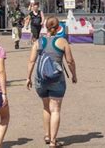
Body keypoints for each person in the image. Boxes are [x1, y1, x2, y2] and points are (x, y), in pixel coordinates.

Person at [26, 17, 77, 147]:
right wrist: (74, 75)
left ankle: (47, 135)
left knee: (46, 107)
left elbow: (31, 61)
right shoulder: (63, 42)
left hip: (41, 79)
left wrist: (28, 77)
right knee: (55, 109)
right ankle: (53, 142)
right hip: (57, 80)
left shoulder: (38, 42)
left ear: (45, 27)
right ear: (59, 27)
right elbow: (70, 61)